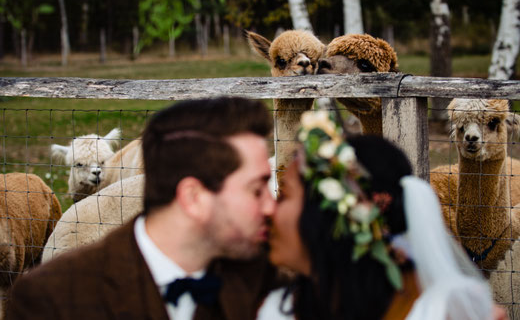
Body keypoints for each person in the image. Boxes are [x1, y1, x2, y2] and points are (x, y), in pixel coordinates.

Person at [7, 97, 281, 320]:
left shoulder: (271, 280)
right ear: (193, 197)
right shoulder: (52, 299)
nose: (271, 206)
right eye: (256, 190)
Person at [257, 110, 506, 320]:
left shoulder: (436, 313)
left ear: (333, 214)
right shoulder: (279, 309)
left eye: (286, 195)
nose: (269, 209)